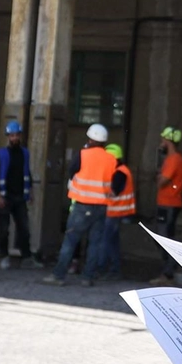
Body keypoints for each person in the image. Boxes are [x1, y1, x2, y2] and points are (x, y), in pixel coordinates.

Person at [42, 123, 114, 287]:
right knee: (94, 243)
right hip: (101, 206)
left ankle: (59, 275)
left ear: (90, 138)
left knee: (70, 241)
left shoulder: (82, 154)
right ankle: (87, 277)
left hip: (82, 205)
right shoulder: (110, 159)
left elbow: (72, 171)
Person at [0, 120, 41, 270]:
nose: (14, 138)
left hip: (20, 197)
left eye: (17, 135)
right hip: (5, 196)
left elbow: (27, 172)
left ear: (20, 136)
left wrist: (30, 191)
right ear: (8, 136)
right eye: (12, 135)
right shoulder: (1, 154)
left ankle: (26, 257)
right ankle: (4, 257)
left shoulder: (25, 153)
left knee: (24, 229)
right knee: (3, 230)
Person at [149, 126, 182, 287]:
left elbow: (161, 181)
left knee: (164, 239)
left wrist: (158, 177)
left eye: (163, 139)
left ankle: (169, 272)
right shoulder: (172, 159)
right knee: (162, 237)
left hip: (169, 204)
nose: (161, 142)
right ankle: (170, 268)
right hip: (166, 203)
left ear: (169, 141)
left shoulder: (173, 160)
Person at [95, 143, 134, 281]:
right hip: (117, 212)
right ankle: (115, 270)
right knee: (112, 242)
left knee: (104, 241)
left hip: (113, 212)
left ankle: (100, 268)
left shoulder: (119, 173)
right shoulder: (122, 170)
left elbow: (112, 192)